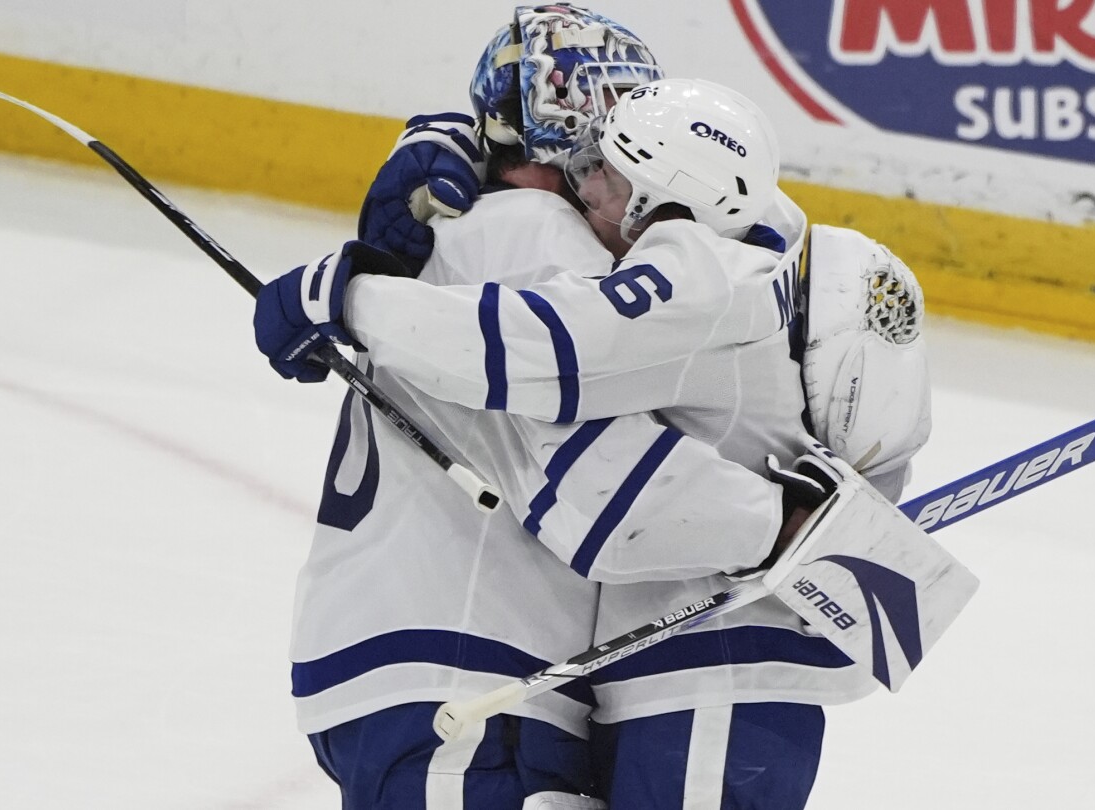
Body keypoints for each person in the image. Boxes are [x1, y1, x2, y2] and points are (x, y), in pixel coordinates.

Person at [258, 71, 934, 807]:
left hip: (720, 663)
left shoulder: (696, 275)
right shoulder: (736, 241)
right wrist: (442, 136)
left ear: (664, 201)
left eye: (607, 171)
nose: (585, 185)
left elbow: (534, 358)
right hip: (639, 667)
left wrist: (345, 297)